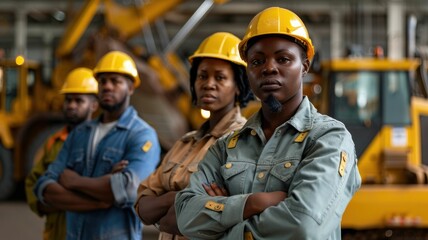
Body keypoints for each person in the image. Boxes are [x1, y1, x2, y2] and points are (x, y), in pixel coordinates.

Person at [175, 7, 361, 240]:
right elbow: (184, 215)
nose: (269, 68)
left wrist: (223, 221)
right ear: (248, 71)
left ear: (304, 66)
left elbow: (303, 226)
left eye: (283, 59)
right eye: (257, 61)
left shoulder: (328, 138)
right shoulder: (226, 147)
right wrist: (251, 203)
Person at [134, 32, 254, 240]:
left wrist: (167, 200)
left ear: (238, 86)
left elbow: (232, 217)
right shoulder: (184, 142)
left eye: (220, 77)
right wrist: (181, 199)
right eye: (202, 75)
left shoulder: (244, 141)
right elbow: (142, 208)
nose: (208, 83)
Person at [34, 51, 161, 240]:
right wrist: (101, 198)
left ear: (131, 87)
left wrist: (75, 182)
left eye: (115, 81)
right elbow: (44, 186)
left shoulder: (142, 135)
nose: (107, 86)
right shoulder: (79, 133)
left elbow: (129, 189)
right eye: (102, 81)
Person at [25, 67, 99, 240]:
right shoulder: (54, 141)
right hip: (56, 232)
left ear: (94, 105)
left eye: (78, 101)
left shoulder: (101, 143)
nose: (71, 105)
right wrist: (50, 202)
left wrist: (59, 196)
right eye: (68, 100)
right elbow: (33, 183)